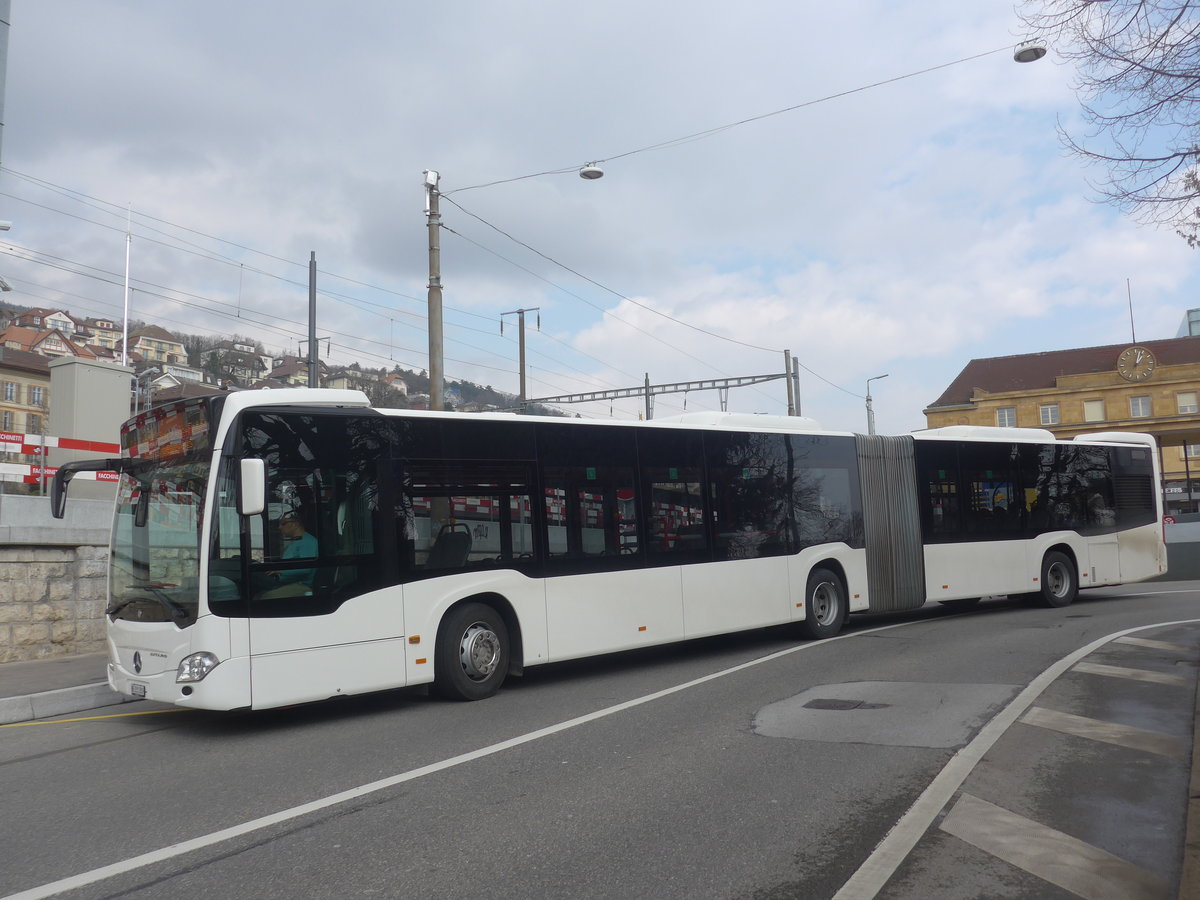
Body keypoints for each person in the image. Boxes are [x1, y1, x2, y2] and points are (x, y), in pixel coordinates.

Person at [270, 512, 318, 587]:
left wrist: (280, 571)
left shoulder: (307, 541)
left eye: (283, 524)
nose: (279, 527)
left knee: (265, 597)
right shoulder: (296, 541)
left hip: (301, 586)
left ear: (295, 525)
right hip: (284, 583)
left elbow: (306, 568)